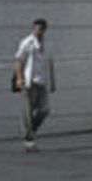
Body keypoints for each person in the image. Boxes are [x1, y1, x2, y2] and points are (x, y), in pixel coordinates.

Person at [10, 16, 54, 150]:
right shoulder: (27, 43)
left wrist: (53, 81)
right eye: (36, 29)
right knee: (28, 111)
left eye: (41, 29)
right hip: (29, 81)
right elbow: (18, 60)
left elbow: (50, 63)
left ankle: (29, 133)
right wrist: (19, 78)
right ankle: (29, 140)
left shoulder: (47, 45)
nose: (38, 32)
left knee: (44, 109)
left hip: (42, 82)